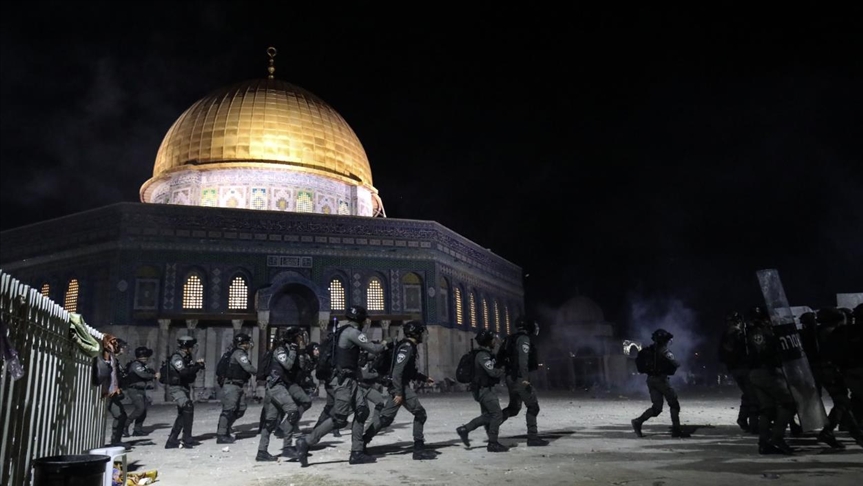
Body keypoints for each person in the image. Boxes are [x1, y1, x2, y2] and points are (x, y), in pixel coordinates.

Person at [296, 306, 387, 467]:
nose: (367, 321)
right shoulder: (352, 332)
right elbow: (374, 348)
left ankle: (357, 452)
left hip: (350, 379)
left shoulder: (345, 331)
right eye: (365, 318)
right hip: (343, 381)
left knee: (362, 411)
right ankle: (307, 441)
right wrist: (386, 342)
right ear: (359, 319)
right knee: (339, 419)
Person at [362, 320, 436, 460]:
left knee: (385, 419)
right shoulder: (407, 347)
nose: (424, 335)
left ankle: (363, 441)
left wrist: (424, 378)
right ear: (416, 333)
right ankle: (419, 449)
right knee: (420, 414)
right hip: (400, 386)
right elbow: (397, 372)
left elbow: (409, 371)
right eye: (422, 332)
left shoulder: (408, 346)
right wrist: (399, 393)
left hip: (397, 385)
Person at [257, 327, 312, 461]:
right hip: (276, 386)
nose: (301, 339)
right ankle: (287, 447)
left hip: (281, 386)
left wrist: (301, 352)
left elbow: (300, 367)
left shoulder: (290, 349)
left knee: (270, 422)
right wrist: (293, 350)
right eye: (299, 337)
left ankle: (261, 452)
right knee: (292, 412)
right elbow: (287, 365)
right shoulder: (281, 350)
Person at [746, 306, 795, 455]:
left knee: (767, 409)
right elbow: (764, 352)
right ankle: (777, 438)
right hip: (768, 372)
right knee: (789, 404)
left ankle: (764, 443)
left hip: (756, 373)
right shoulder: (760, 332)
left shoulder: (750, 332)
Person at [456, 329, 509, 452]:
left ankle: (465, 429)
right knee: (497, 414)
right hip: (484, 390)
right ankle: (493, 443)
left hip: (482, 389)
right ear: (488, 341)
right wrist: (503, 370)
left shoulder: (484, 354)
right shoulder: (482, 355)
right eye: (492, 340)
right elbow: (492, 372)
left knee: (487, 416)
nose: (494, 342)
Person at [631, 329, 690, 438]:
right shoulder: (664, 351)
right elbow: (676, 363)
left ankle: (638, 421)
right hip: (661, 380)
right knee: (674, 404)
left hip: (650, 380)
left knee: (657, 408)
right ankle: (676, 430)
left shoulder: (649, 350)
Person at [500, 317, 549, 446]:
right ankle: (533, 438)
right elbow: (523, 360)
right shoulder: (523, 339)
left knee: (514, 408)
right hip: (520, 378)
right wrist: (525, 379)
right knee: (533, 407)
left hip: (511, 377)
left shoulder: (510, 339)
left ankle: (492, 422)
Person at [717, 312, 758, 432]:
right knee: (753, 397)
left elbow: (721, 355)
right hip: (744, 368)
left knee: (748, 394)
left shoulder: (725, 336)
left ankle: (743, 419)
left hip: (734, 369)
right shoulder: (741, 334)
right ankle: (754, 425)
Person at [165, 335, 205, 449]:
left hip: (184, 386)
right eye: (192, 346)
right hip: (176, 387)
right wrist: (197, 366)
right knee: (187, 407)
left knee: (183, 413)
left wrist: (197, 366)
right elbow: (183, 372)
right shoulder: (177, 357)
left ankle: (172, 440)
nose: (193, 348)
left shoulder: (186, 357)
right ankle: (187, 438)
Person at [217, 333, 256, 444]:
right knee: (229, 410)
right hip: (231, 385)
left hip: (238, 385)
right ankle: (221, 434)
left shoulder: (238, 353)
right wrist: (261, 373)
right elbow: (247, 367)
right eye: (247, 342)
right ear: (243, 343)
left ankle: (226, 427)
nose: (249, 344)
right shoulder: (239, 353)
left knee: (241, 408)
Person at [123, 346, 158, 437]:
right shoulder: (136, 364)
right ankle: (124, 425)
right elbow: (143, 374)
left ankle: (137, 430)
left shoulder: (142, 364)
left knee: (143, 411)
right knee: (140, 408)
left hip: (141, 389)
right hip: (134, 390)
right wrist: (153, 376)